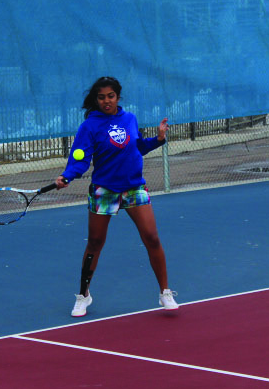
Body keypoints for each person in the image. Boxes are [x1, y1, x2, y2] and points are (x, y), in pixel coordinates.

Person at [55, 76, 179, 317]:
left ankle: (165, 292)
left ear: (118, 97)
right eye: (101, 97)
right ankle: (83, 296)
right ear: (96, 99)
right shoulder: (89, 126)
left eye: (110, 96)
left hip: (134, 188)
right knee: (95, 243)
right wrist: (67, 176)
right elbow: (79, 159)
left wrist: (159, 139)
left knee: (152, 237)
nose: (106, 101)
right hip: (105, 190)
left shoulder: (129, 119)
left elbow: (138, 147)